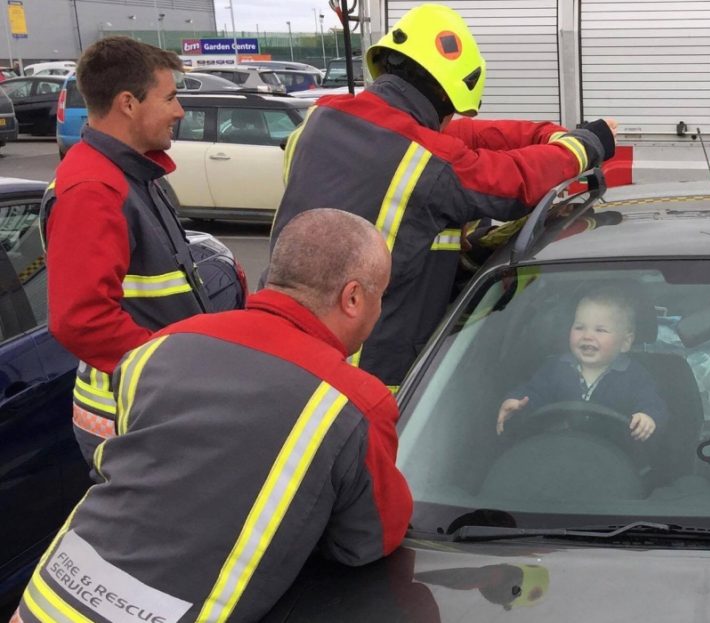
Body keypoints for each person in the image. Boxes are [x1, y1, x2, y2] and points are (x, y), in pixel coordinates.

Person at [13, 209, 413, 623]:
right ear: (352, 298)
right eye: (380, 294)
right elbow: (365, 541)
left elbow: (144, 468)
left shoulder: (160, 346)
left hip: (46, 601)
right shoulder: (352, 402)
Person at [272, 3, 618, 392]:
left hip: (284, 351)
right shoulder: (425, 163)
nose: (452, 121)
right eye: (451, 111)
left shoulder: (319, 123)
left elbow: (462, 139)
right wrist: (587, 145)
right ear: (442, 97)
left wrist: (545, 134)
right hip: (368, 373)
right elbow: (515, 182)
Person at [42, 36, 209, 462]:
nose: (180, 111)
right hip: (132, 416)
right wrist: (174, 372)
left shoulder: (129, 174)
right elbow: (80, 320)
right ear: (128, 103)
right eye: (169, 97)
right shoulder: (94, 190)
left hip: (150, 406)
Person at [497, 287, 666, 441]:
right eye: (579, 327)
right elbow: (533, 393)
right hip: (558, 450)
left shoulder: (635, 376)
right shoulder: (555, 368)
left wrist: (647, 416)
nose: (587, 336)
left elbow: (652, 403)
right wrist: (516, 400)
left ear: (625, 342)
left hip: (614, 458)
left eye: (600, 330)